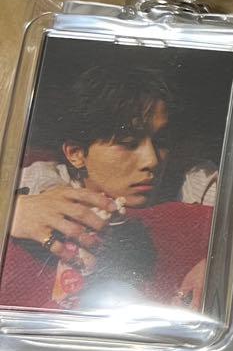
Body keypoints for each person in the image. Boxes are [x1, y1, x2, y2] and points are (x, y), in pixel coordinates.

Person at [0, 64, 217, 313]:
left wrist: (218, 261)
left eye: (161, 141)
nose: (152, 161)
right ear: (76, 153)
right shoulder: (35, 184)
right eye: (128, 143)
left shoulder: (197, 185)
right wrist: (11, 210)